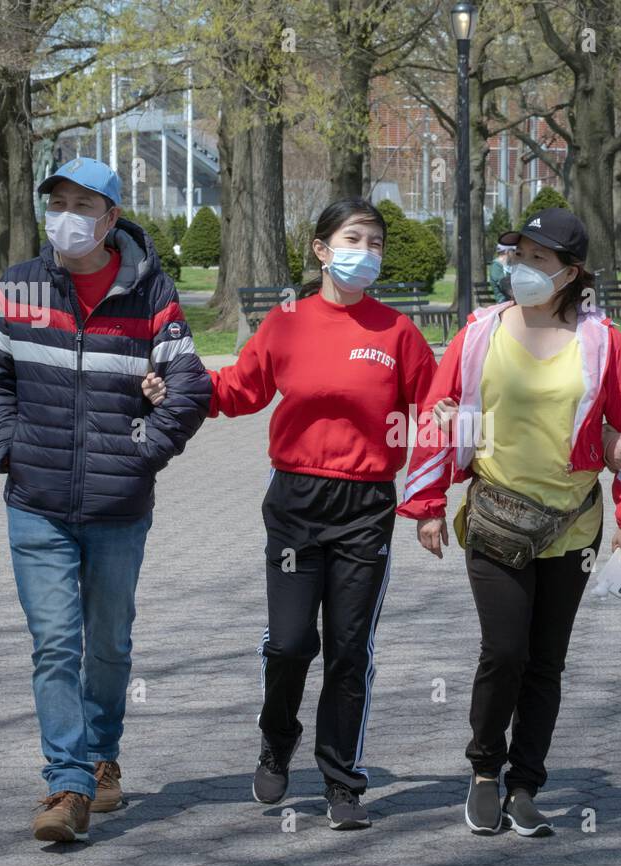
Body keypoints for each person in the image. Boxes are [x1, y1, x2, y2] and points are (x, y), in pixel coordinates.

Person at [143, 198, 437, 830]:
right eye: (354, 238)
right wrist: (178, 386)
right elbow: (239, 389)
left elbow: (436, 414)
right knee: (291, 643)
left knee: (349, 649)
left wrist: (429, 502)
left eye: (377, 242)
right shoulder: (287, 322)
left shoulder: (398, 333)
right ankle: (277, 738)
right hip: (297, 504)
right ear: (322, 249)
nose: (368, 251)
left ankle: (342, 780)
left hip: (365, 507)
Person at [0, 157, 212, 843]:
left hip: (118, 507)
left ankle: (104, 754)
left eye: (84, 204)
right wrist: (8, 447)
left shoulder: (150, 291)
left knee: (106, 645)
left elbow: (190, 387)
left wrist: (144, 452)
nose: (67, 217)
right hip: (35, 500)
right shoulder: (17, 287)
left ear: (111, 218)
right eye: (58, 202)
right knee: (54, 644)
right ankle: (68, 784)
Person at [398, 207, 621, 837]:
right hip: (497, 520)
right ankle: (485, 770)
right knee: (505, 651)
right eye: (519, 256)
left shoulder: (603, 341)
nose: (524, 269)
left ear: (570, 273)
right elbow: (436, 412)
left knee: (547, 661)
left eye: (541, 260)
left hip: (573, 524)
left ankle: (525, 785)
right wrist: (427, 505)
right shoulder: (481, 332)